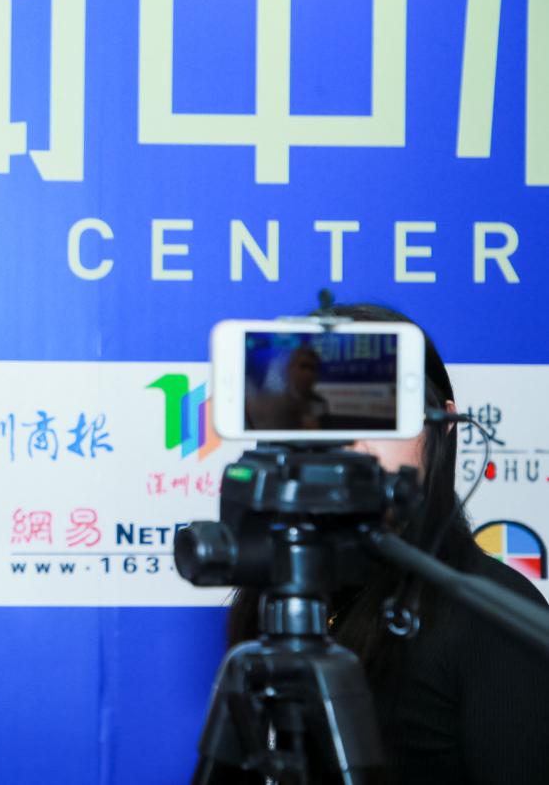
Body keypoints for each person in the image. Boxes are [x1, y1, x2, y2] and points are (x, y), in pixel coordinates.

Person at [225, 304, 549, 784]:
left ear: (444, 424)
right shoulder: (276, 593)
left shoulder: (489, 614)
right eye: (323, 413)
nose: (351, 442)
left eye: (379, 410)